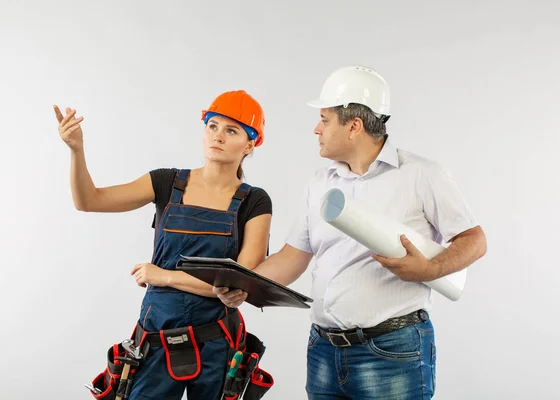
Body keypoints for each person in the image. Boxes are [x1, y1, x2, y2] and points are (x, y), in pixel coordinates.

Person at [214, 66, 488, 399]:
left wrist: (432, 269)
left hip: (392, 351)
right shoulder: (319, 183)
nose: (316, 129)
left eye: (325, 120)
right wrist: (244, 284)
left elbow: (474, 239)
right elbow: (291, 258)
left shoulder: (420, 175)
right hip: (323, 352)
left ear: (354, 126)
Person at [54, 89, 273, 400]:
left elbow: (242, 280)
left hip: (217, 342)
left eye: (231, 130)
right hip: (156, 336)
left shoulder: (255, 201)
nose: (218, 136)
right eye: (212, 125)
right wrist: (77, 150)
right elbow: (88, 200)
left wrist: (162, 275)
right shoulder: (166, 183)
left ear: (250, 144)